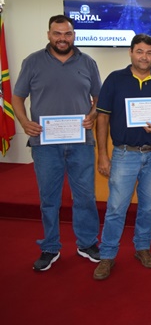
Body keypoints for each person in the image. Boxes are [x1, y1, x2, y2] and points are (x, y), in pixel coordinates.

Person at [13, 14, 102, 272]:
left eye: (67, 34)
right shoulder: (32, 62)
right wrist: (23, 122)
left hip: (81, 141)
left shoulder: (88, 62)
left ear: (74, 35)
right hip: (45, 143)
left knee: (85, 196)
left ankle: (87, 243)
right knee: (49, 198)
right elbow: (18, 97)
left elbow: (98, 97)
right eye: (57, 33)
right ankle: (50, 247)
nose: (62, 38)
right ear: (49, 34)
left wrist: (93, 115)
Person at [93, 34, 151, 280]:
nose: (144, 56)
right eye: (139, 51)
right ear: (131, 53)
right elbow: (103, 117)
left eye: (149, 53)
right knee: (116, 208)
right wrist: (103, 154)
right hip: (124, 155)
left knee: (148, 206)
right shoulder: (115, 79)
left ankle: (142, 248)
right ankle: (107, 255)